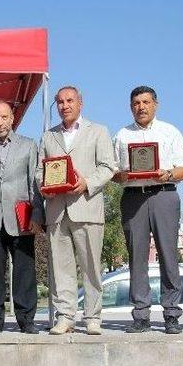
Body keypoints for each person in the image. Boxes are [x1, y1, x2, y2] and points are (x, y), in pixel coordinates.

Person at [112, 86, 183, 334]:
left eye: (146, 102)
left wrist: (168, 173)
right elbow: (112, 173)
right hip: (133, 197)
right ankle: (141, 315)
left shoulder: (170, 131)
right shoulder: (122, 135)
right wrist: (122, 175)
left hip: (164, 195)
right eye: (136, 103)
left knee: (168, 256)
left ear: (155, 104)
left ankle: (171, 314)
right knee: (137, 257)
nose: (141, 107)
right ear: (130, 107)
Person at [36, 86, 115, 335]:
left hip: (87, 207)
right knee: (61, 269)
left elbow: (108, 167)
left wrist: (87, 183)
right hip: (57, 211)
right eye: (60, 102)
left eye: (69, 100)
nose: (64, 105)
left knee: (91, 267)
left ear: (80, 103)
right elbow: (40, 171)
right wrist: (44, 187)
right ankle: (65, 316)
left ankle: (93, 317)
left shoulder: (99, 131)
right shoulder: (49, 136)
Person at [0, 101, 44, 334]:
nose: (0, 122)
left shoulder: (28, 145)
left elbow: (35, 182)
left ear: (12, 118)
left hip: (21, 216)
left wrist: (37, 214)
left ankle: (26, 320)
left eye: (4, 117)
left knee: (25, 269)